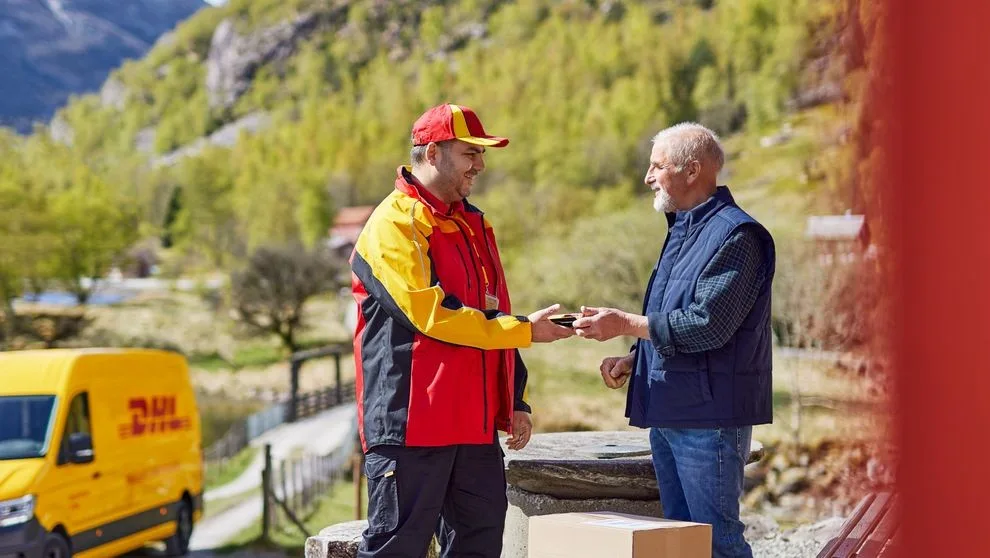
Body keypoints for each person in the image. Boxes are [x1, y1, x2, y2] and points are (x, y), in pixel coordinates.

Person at [349, 103, 573, 558]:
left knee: (479, 543)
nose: (481, 165)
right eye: (470, 152)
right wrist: (526, 330)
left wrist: (515, 397)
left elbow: (494, 314)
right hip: (411, 426)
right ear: (433, 153)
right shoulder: (392, 224)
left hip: (473, 427)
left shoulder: (476, 223)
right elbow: (433, 315)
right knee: (396, 549)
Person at [572, 122, 775, 558]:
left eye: (656, 166)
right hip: (670, 409)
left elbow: (708, 325)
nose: (647, 177)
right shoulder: (683, 228)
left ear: (691, 170)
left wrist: (626, 322)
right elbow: (673, 317)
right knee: (681, 544)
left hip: (709, 418)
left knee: (716, 545)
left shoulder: (737, 236)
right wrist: (635, 357)